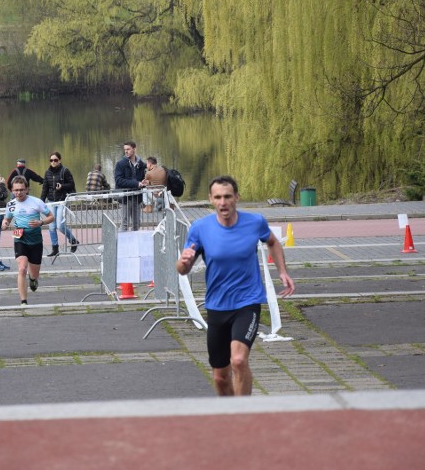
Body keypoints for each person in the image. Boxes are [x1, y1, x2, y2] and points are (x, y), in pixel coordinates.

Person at [176, 175, 295, 397]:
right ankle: (230, 413)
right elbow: (183, 270)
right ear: (211, 199)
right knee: (220, 377)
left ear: (237, 198)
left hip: (247, 303)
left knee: (239, 360)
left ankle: (243, 414)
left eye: (228, 196)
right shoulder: (200, 228)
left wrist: (282, 271)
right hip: (217, 306)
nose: (223, 203)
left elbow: (272, 242)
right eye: (218, 197)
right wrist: (183, 262)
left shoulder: (255, 222)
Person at [2, 177, 54, 305]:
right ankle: (23, 301)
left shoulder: (37, 202)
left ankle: (33, 279)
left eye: (21, 190)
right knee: (22, 268)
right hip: (20, 238)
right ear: (12, 190)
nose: (18, 193)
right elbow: (7, 219)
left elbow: (51, 217)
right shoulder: (11, 204)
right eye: (15, 190)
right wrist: (5, 223)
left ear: (27, 189)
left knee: (34, 273)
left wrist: (40, 222)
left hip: (35, 240)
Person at [40, 151, 79, 257]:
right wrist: (41, 202)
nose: (53, 162)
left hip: (62, 201)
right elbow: (45, 188)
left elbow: (71, 184)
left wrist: (62, 186)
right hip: (51, 202)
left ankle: (73, 240)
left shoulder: (65, 171)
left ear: (59, 160)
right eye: (51, 160)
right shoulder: (47, 172)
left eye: (55, 160)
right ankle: (55, 248)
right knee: (51, 226)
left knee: (60, 225)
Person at [114, 141, 148, 231]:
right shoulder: (120, 164)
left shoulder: (141, 164)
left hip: (137, 198)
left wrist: (145, 182)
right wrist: (137, 184)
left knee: (136, 224)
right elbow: (118, 181)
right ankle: (121, 244)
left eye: (128, 149)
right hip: (125, 198)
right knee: (124, 224)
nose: (126, 151)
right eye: (125, 149)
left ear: (134, 149)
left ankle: (135, 244)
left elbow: (145, 177)